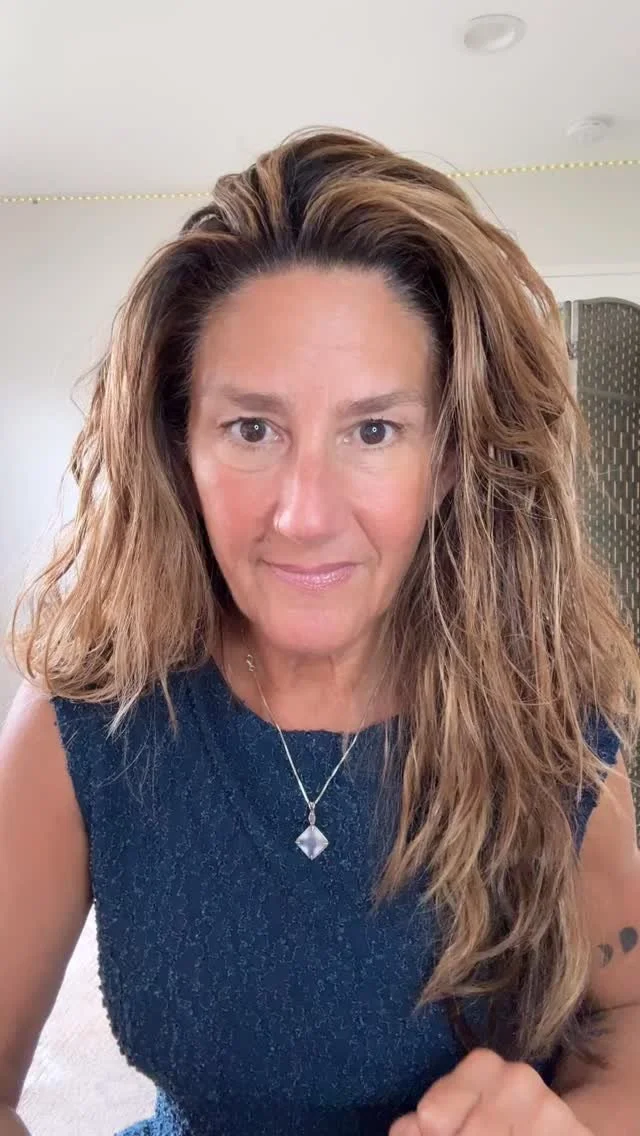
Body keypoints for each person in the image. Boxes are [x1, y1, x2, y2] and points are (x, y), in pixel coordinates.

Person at [1, 126, 639, 1136]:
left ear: (447, 456)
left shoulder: (545, 715)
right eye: (252, 429)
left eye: (373, 430)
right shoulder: (85, 719)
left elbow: (628, 1016)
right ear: (179, 446)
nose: (303, 514)